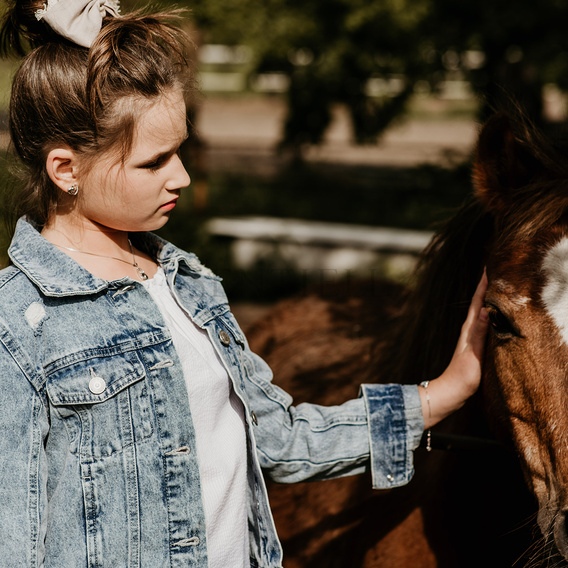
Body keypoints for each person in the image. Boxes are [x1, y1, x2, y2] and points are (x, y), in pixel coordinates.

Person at [0, 1, 489, 566]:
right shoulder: (16, 328)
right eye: (154, 161)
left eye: (180, 150)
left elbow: (280, 442)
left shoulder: (190, 285)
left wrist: (443, 393)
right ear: (66, 170)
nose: (181, 176)